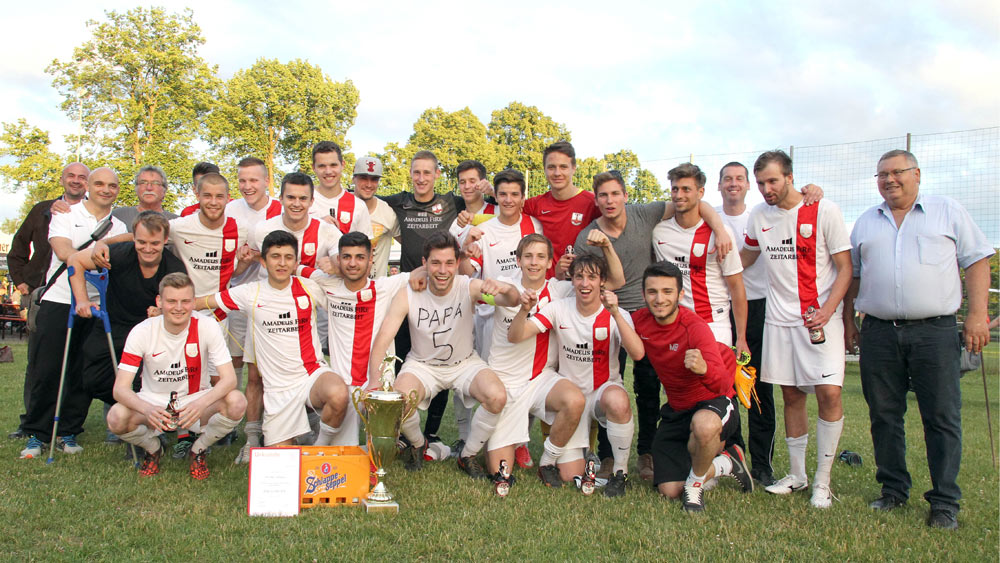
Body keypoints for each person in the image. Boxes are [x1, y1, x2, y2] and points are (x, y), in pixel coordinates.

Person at [843, 149, 994, 530]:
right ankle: (893, 490)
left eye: (897, 172)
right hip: (878, 331)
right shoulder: (864, 222)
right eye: (881, 174)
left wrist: (976, 315)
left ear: (917, 174)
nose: (889, 180)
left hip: (935, 332)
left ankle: (944, 502)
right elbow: (853, 277)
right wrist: (848, 320)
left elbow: (977, 260)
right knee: (884, 415)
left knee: (942, 416)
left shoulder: (948, 211)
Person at [574, 170, 732, 482]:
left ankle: (647, 452)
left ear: (625, 196)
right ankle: (607, 456)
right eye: (603, 195)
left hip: (648, 315)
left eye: (615, 194)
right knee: (608, 383)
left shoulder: (644, 214)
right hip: (611, 314)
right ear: (596, 199)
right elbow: (587, 277)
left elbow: (696, 205)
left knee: (648, 387)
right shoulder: (587, 237)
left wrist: (721, 229)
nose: (609, 201)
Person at [740, 150, 852, 509]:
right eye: (760, 183)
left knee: (829, 394)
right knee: (790, 396)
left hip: (819, 319)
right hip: (778, 319)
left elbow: (845, 268)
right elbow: (746, 257)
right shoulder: (759, 216)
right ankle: (798, 476)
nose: (766, 189)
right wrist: (714, 260)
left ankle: (823, 481)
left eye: (772, 181)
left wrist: (828, 309)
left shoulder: (824, 210)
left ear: (790, 177)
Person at [367, 231, 520, 479]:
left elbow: (510, 300)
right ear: (424, 263)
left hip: (464, 363)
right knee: (399, 401)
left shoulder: (469, 287)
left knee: (497, 396)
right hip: (422, 365)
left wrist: (505, 287)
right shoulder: (408, 293)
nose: (442, 270)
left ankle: (467, 454)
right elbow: (383, 338)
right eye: (436, 263)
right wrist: (375, 380)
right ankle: (418, 444)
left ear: (457, 263)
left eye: (449, 263)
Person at [508, 253, 644, 497]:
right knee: (570, 475)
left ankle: (620, 473)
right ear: (571, 280)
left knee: (618, 401)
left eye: (592, 277)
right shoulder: (558, 308)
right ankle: (547, 462)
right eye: (579, 276)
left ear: (602, 281)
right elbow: (516, 336)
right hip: (571, 399)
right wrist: (523, 311)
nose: (584, 283)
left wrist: (615, 314)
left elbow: (637, 354)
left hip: (603, 391)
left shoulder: (615, 312)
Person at [19, 167, 131, 459]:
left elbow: (118, 259)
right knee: (47, 369)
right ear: (89, 187)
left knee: (83, 372)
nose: (106, 190)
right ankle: (37, 433)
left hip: (95, 305)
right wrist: (96, 252)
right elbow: (64, 251)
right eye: (100, 184)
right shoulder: (65, 214)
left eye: (112, 185)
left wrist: (112, 244)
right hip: (60, 301)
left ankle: (68, 430)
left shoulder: (117, 226)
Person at [202, 230, 349, 447]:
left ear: (296, 261)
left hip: (310, 375)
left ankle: (320, 448)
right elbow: (202, 302)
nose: (282, 263)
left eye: (288, 257)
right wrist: (165, 308)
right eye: (275, 257)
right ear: (263, 261)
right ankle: (293, 433)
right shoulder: (249, 293)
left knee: (338, 393)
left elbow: (346, 294)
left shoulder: (309, 287)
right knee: (280, 459)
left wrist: (337, 269)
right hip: (277, 390)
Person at [630, 261, 752, 512]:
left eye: (667, 292)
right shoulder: (639, 321)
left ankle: (695, 486)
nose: (659, 299)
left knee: (704, 426)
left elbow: (722, 383)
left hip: (714, 401)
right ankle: (728, 463)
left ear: (680, 295)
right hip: (677, 409)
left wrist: (704, 369)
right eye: (652, 292)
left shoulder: (695, 327)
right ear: (644, 295)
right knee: (669, 490)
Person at [235, 172, 341, 458]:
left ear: (311, 200)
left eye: (302, 198)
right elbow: (251, 262)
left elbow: (344, 262)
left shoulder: (326, 231)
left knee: (305, 368)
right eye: (290, 197)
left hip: (306, 310)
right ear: (280, 198)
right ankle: (252, 437)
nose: (296, 203)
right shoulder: (262, 229)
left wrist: (334, 263)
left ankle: (305, 423)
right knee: (256, 375)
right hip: (265, 310)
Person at [108, 273, 246, 479]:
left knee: (237, 401)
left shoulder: (208, 326)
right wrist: (147, 408)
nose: (179, 308)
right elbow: (120, 388)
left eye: (185, 301)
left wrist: (201, 403)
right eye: (171, 301)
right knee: (116, 417)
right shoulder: (141, 331)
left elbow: (229, 379)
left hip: (195, 400)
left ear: (193, 302)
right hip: (153, 401)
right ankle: (153, 448)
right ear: (159, 302)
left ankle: (198, 450)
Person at [67, 211, 188, 434]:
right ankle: (129, 412)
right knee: (91, 378)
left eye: (154, 243)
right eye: (141, 242)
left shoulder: (174, 267)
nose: (148, 248)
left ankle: (144, 428)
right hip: (113, 325)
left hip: (150, 333)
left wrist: (163, 311)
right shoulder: (119, 254)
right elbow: (75, 260)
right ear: (133, 239)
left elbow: (181, 303)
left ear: (165, 241)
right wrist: (82, 300)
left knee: (145, 382)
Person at [482, 233, 587, 486]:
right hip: (506, 384)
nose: (534, 262)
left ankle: (547, 460)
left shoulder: (561, 290)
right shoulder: (504, 285)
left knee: (574, 403)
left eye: (541, 257)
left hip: (542, 379)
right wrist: (492, 289)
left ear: (551, 262)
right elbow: (487, 293)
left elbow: (607, 283)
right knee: (501, 474)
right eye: (528, 256)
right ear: (517, 260)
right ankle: (493, 440)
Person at [296, 231, 414, 446]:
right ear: (338, 260)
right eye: (346, 257)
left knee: (379, 451)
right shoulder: (327, 284)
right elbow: (295, 268)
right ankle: (318, 441)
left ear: (371, 260)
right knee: (343, 453)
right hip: (344, 386)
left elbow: (425, 272)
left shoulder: (386, 286)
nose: (353, 263)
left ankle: (409, 441)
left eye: (360, 257)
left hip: (378, 385)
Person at [7, 162, 90, 439]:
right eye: (71, 176)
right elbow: (18, 246)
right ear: (63, 179)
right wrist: (22, 281)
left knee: (74, 361)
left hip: (78, 296)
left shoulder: (93, 213)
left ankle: (65, 423)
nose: (76, 181)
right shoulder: (43, 210)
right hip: (42, 291)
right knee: (39, 361)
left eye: (82, 177)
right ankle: (31, 421)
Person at [716, 161, 777, 485]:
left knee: (759, 387)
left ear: (748, 184)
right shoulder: (709, 215)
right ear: (719, 185)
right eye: (727, 179)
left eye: (739, 179)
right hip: (720, 309)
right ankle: (730, 450)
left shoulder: (761, 216)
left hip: (759, 307)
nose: (733, 184)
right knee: (723, 385)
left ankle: (763, 464)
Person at [224, 157, 283, 462]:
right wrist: (242, 262)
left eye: (253, 180)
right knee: (240, 364)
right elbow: (225, 261)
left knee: (272, 371)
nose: (247, 186)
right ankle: (236, 428)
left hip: (274, 303)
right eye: (242, 180)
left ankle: (276, 429)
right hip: (239, 297)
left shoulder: (281, 209)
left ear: (266, 181)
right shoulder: (230, 209)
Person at [653, 163, 747, 351]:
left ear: (700, 192)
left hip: (714, 324)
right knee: (676, 381)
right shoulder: (659, 231)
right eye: (675, 189)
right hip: (675, 324)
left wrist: (741, 338)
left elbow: (736, 287)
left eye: (686, 189)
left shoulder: (720, 234)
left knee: (716, 380)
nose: (679, 195)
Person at [521, 141, 601, 279]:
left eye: (563, 167)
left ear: (573, 168)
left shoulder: (592, 202)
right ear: (544, 169)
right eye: (551, 167)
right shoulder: (537, 204)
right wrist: (492, 193)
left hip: (580, 284)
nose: (557, 173)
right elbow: (509, 205)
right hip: (547, 285)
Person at [310, 141, 373, 236]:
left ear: (342, 165)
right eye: (322, 166)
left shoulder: (358, 206)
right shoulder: (300, 201)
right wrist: (316, 225)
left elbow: (367, 248)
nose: (328, 171)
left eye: (333, 165)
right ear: (313, 167)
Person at [351, 156, 398, 278]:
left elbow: (409, 245)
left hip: (376, 289)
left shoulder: (387, 212)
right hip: (343, 288)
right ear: (353, 178)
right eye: (363, 178)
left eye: (374, 179)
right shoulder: (339, 206)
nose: (369, 184)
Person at [112, 165, 179, 230]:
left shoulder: (177, 223)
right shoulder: (118, 216)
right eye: (143, 182)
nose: (149, 188)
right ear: (136, 188)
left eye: (155, 183)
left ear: (164, 190)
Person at [449, 159, 496, 240]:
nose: (467, 186)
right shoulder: (455, 225)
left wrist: (494, 192)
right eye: (462, 182)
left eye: (472, 181)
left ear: (483, 182)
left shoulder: (500, 211)